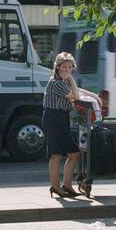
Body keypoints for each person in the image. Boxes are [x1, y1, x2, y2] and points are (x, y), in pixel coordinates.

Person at [43, 52, 101, 199]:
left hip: (61, 117)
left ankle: (66, 185)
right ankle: (56, 186)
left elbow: (78, 91)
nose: (67, 70)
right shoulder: (56, 82)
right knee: (56, 154)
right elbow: (75, 95)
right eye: (64, 67)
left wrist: (93, 95)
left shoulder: (63, 81)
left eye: (70, 67)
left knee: (73, 153)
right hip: (53, 118)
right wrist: (71, 78)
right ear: (57, 67)